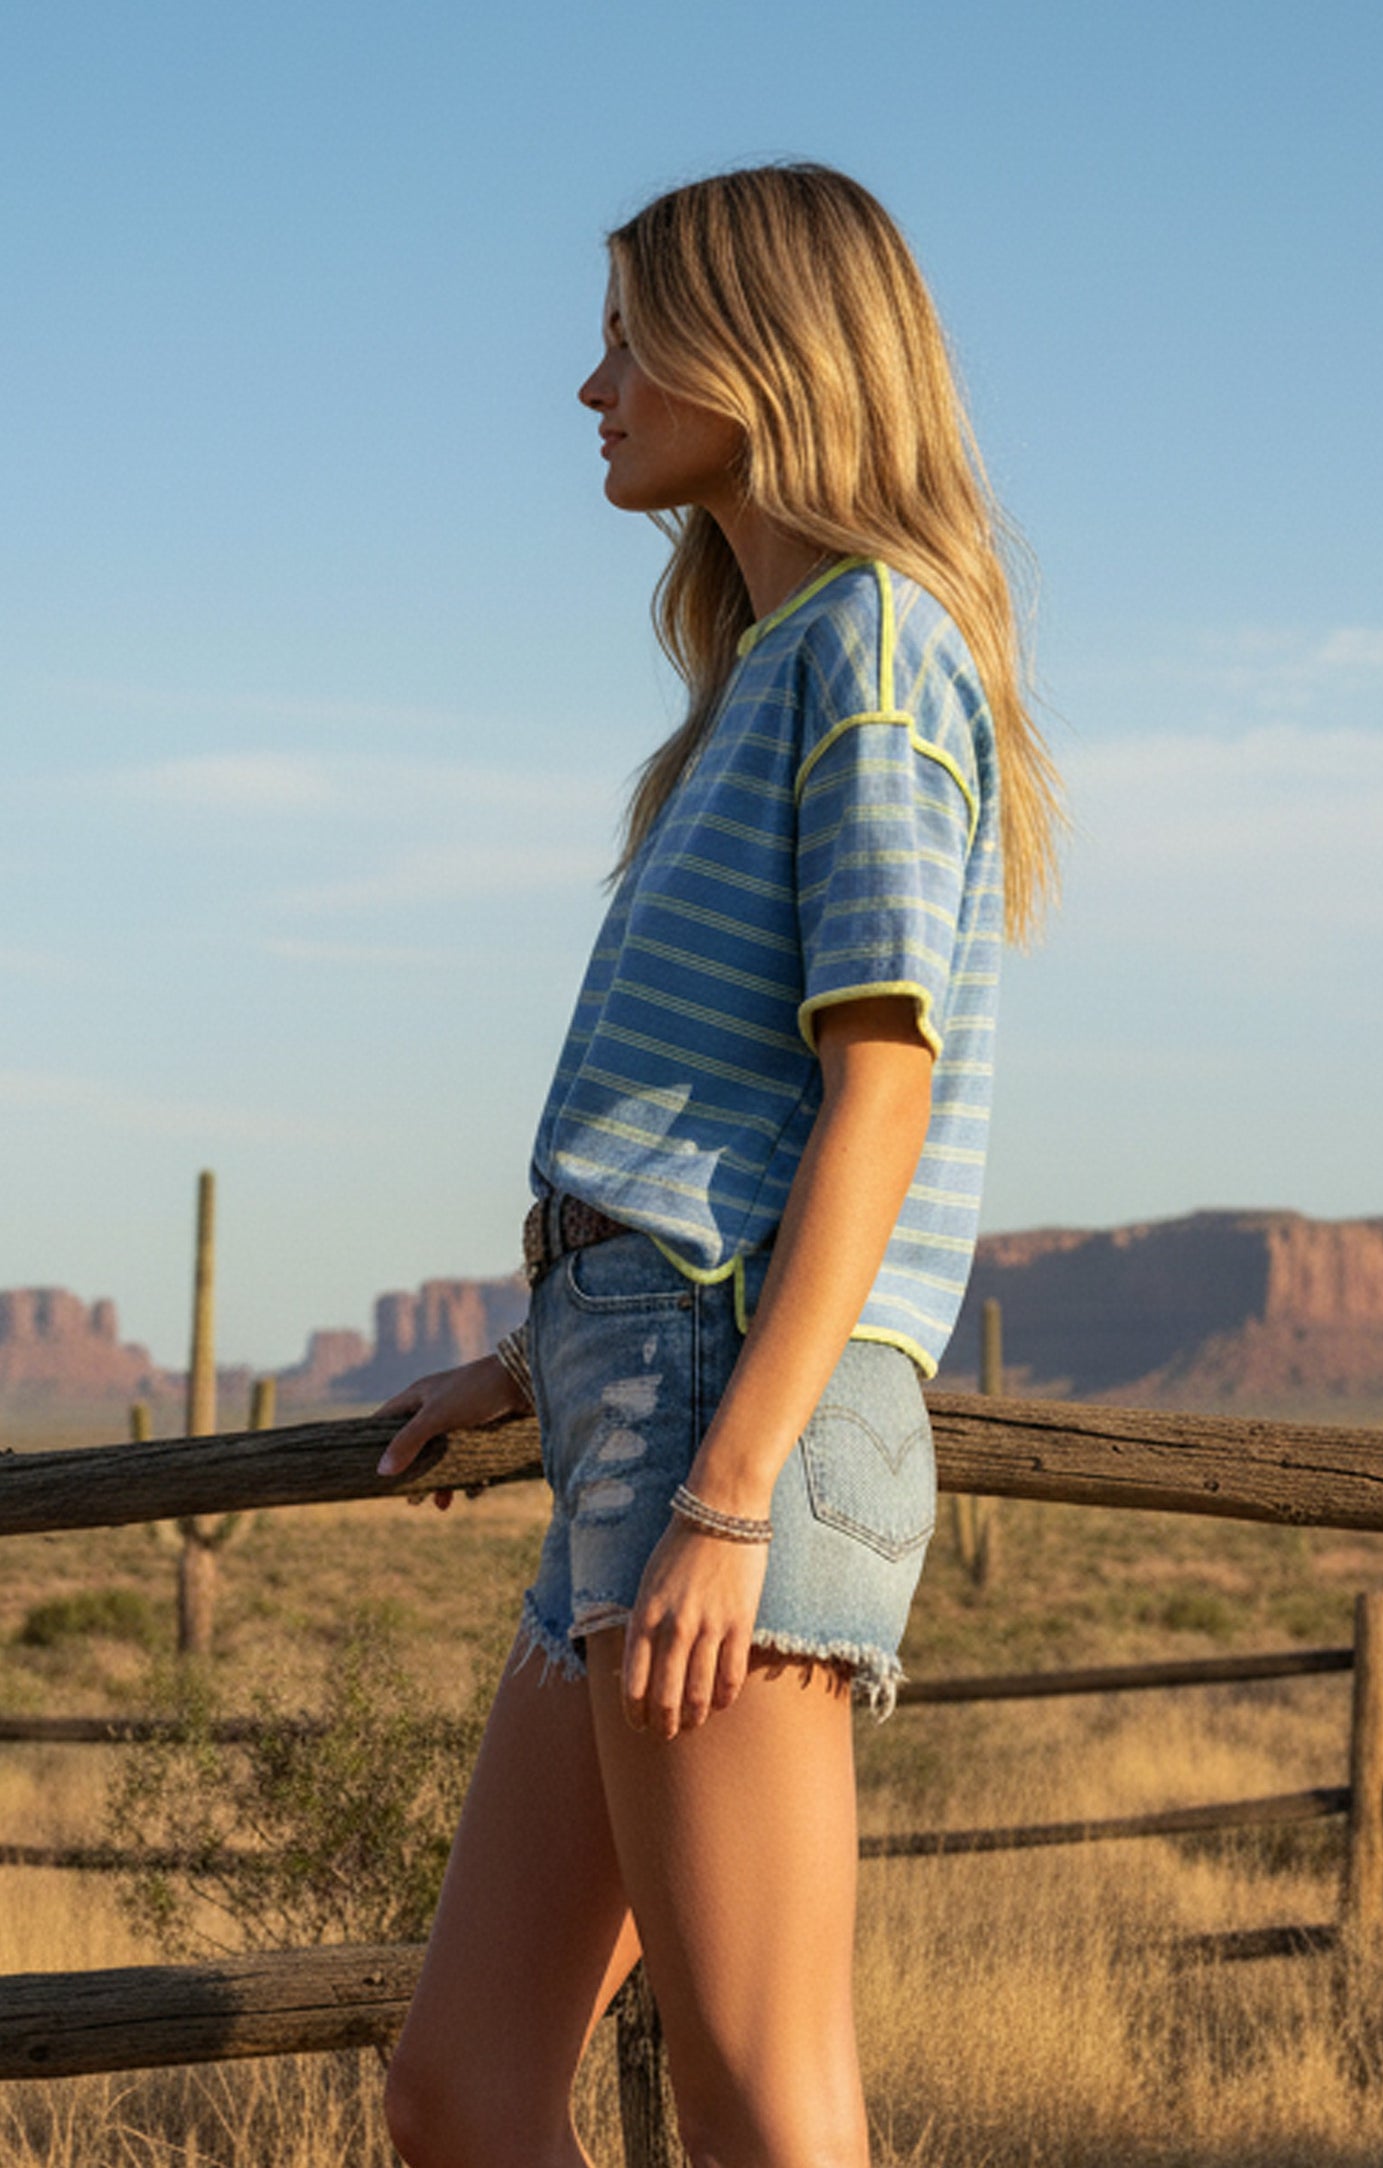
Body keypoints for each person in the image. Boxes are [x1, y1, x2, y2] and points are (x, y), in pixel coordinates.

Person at [375, 161, 1059, 2168]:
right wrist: (530, 1356)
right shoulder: (770, 670)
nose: (592, 386)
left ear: (767, 351)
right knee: (461, 2087)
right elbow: (721, 1122)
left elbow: (878, 1099)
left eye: (630, 337)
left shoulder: (874, 649)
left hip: (724, 1416)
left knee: (765, 2098)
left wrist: (730, 1488)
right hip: (640, 1394)